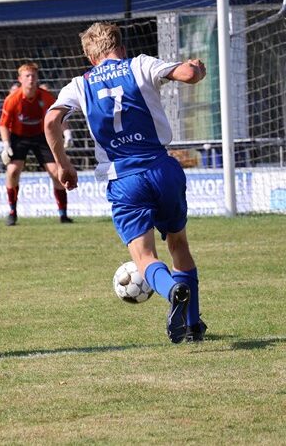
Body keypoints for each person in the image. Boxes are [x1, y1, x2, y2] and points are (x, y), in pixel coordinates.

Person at [44, 21, 207, 344]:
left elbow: (50, 121)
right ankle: (192, 326)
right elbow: (188, 74)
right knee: (178, 245)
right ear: (121, 46)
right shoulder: (140, 65)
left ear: (90, 57)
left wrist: (64, 165)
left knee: (144, 257)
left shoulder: (80, 84)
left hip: (123, 178)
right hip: (162, 168)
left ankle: (171, 290)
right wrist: (197, 68)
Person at [0, 61, 72, 226]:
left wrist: (67, 133)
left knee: (56, 172)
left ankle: (63, 214)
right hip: (19, 137)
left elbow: (58, 117)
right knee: (12, 171)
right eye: (27, 76)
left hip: (40, 136)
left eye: (33, 75)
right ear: (20, 79)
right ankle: (12, 212)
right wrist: (6, 144)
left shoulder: (46, 97)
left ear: (37, 78)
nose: (31, 79)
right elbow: (3, 124)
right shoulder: (12, 99)